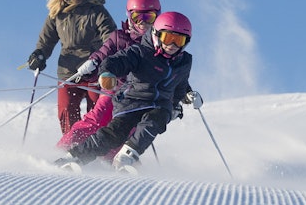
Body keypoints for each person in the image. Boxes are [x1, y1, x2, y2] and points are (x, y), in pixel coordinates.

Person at [55, 11, 203, 173]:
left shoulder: (184, 61)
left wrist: (185, 98)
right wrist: (107, 73)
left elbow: (180, 83)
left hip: (160, 105)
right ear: (156, 35)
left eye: (179, 40)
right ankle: (75, 156)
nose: (172, 45)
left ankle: (126, 157)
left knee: (154, 121)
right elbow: (115, 61)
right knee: (113, 134)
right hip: (132, 101)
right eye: (168, 38)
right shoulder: (140, 52)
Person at [56, 0, 162, 150]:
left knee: (126, 130)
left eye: (149, 17)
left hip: (139, 97)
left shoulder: (160, 46)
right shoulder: (119, 37)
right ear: (129, 16)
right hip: (115, 91)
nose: (143, 23)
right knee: (97, 119)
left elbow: (171, 69)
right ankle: (66, 146)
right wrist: (93, 62)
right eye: (137, 17)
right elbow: (104, 52)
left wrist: (181, 93)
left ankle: (112, 160)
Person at [26, 0, 117, 136]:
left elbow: (111, 38)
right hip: (68, 71)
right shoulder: (58, 11)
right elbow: (47, 39)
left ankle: (96, 147)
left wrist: (103, 60)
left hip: (94, 70)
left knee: (98, 111)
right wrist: (39, 55)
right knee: (66, 110)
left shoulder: (97, 12)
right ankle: (71, 145)